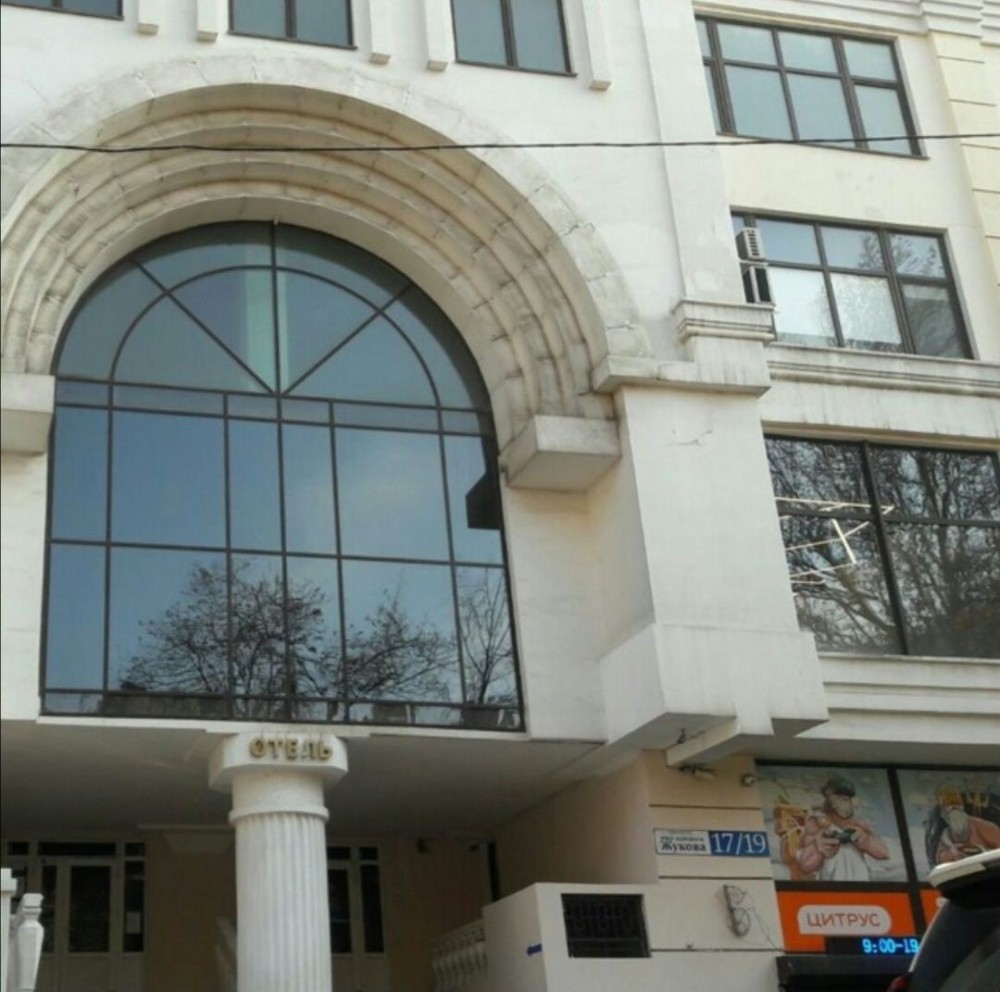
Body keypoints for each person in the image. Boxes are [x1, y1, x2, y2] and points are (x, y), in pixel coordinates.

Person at [795, 775, 889, 881]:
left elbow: (884, 853)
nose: (845, 802)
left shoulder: (858, 824)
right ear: (830, 799)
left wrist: (865, 841)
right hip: (831, 884)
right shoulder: (817, 822)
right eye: (840, 798)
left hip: (860, 882)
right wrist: (819, 847)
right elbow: (805, 865)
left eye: (847, 799)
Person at [929, 785, 1000, 866]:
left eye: (957, 804)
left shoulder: (981, 826)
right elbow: (940, 859)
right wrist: (952, 853)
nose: (953, 807)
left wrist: (981, 852)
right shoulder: (946, 835)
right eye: (948, 805)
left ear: (962, 807)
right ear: (943, 813)